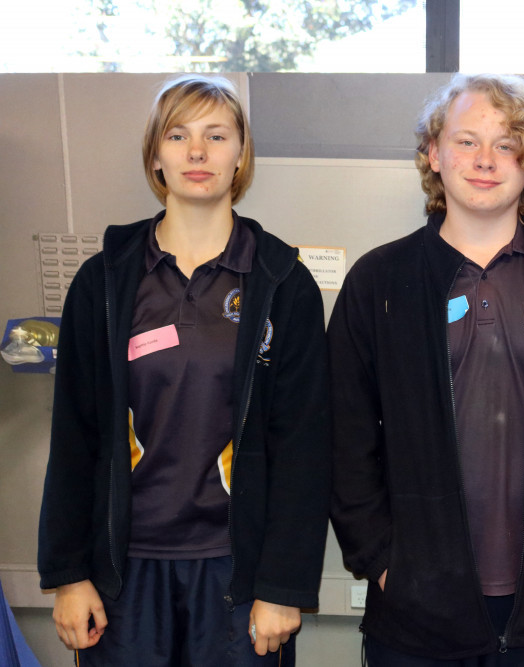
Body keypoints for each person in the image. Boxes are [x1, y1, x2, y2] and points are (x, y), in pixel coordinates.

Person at [327, 73, 524, 665]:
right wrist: (381, 558)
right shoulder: (379, 283)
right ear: (433, 154)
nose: (485, 160)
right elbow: (345, 432)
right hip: (415, 615)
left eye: (507, 143)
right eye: (467, 140)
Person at [37, 74, 330, 665]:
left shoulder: (283, 284)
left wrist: (283, 586)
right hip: (123, 572)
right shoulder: (105, 282)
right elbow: (75, 436)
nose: (197, 152)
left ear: (240, 154)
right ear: (156, 155)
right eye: (178, 135)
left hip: (237, 574)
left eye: (216, 135)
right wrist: (69, 574)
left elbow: (303, 447)